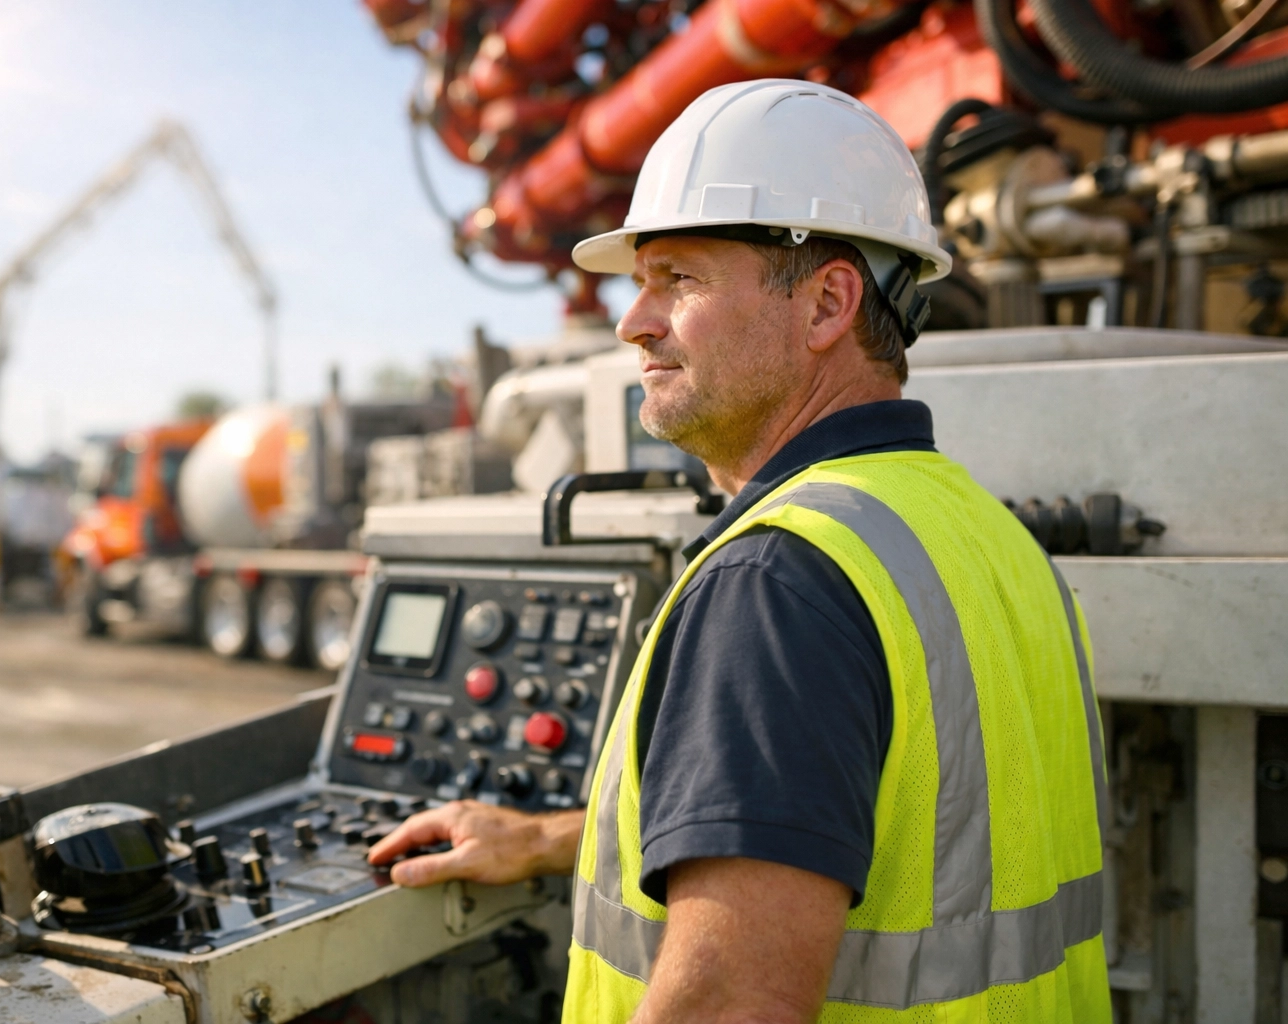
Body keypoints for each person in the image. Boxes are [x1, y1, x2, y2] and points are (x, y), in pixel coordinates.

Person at [369, 80, 1110, 1023]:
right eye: (639, 283)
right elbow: (872, 826)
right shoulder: (984, 534)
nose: (633, 321)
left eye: (679, 279)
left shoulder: (780, 581)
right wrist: (552, 837)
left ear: (829, 303)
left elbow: (727, 1006)